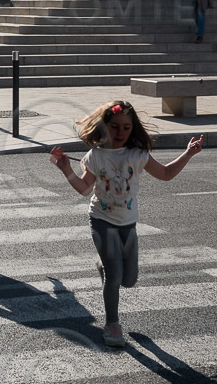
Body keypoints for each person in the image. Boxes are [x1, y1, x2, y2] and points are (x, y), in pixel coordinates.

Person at [51, 99, 204, 349]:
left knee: (129, 279)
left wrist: (188, 153)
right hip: (102, 221)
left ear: (133, 128)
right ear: (103, 127)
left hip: (128, 224)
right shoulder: (96, 156)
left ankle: (104, 265)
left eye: (126, 127)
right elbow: (83, 188)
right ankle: (112, 325)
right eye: (114, 127)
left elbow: (165, 174)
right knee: (115, 277)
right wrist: (66, 169)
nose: (120, 132)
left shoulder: (138, 154)